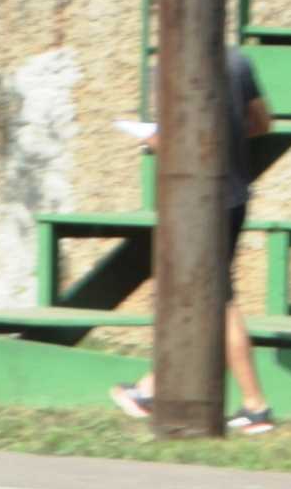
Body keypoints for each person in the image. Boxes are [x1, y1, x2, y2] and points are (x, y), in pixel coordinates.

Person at [110, 45, 281, 435]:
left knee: (219, 299)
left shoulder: (168, 66)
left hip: (198, 201)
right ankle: (152, 388)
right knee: (200, 295)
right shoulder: (238, 61)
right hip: (235, 194)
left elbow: (172, 140)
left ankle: (256, 405)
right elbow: (262, 123)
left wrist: (150, 139)